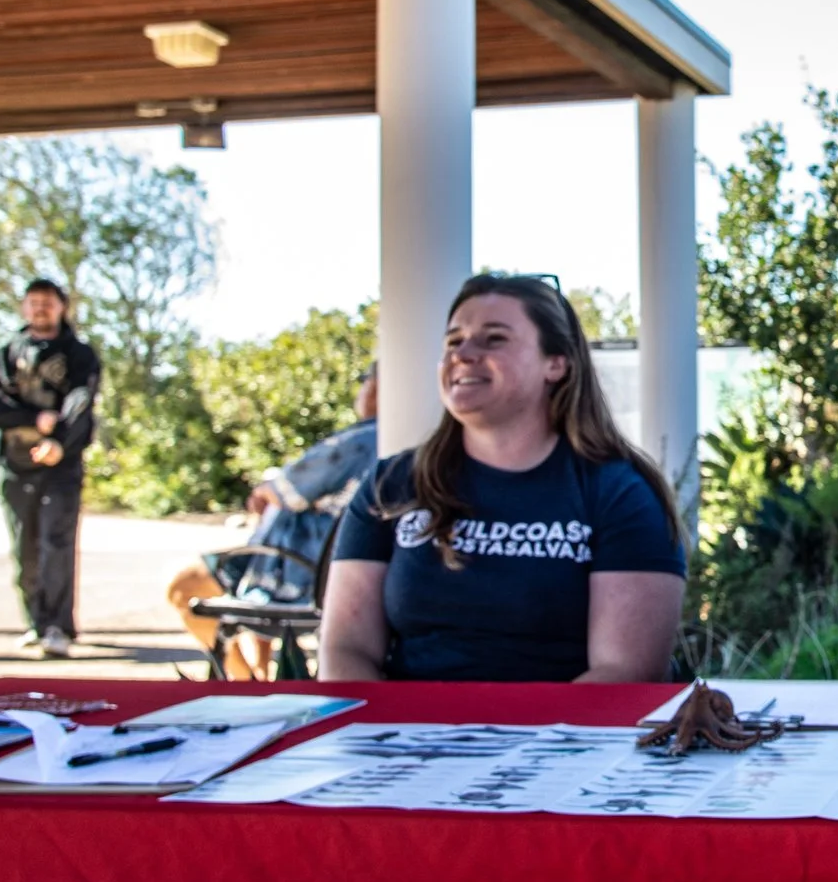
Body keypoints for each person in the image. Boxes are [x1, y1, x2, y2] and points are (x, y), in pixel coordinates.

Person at [320, 275, 686, 682]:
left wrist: (504, 744)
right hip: (403, 740)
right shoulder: (391, 484)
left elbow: (624, 672)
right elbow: (345, 651)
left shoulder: (618, 493)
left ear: (556, 363)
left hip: (564, 740)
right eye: (453, 341)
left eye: (493, 339)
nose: (463, 354)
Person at [167, 365, 381, 678]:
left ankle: (243, 683)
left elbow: (282, 491)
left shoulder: (361, 439)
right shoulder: (416, 438)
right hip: (325, 567)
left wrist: (266, 491)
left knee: (181, 587)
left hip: (299, 572)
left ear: (376, 389)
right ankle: (259, 671)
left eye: (365, 383)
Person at [0, 279, 101, 658]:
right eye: (33, 303)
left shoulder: (79, 354)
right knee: (24, 546)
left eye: (47, 303)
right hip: (17, 465)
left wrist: (58, 441)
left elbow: (82, 402)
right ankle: (35, 621)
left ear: (62, 307)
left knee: (57, 543)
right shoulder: (5, 354)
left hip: (61, 466)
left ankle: (58, 625)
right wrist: (36, 420)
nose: (40, 309)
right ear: (23, 308)